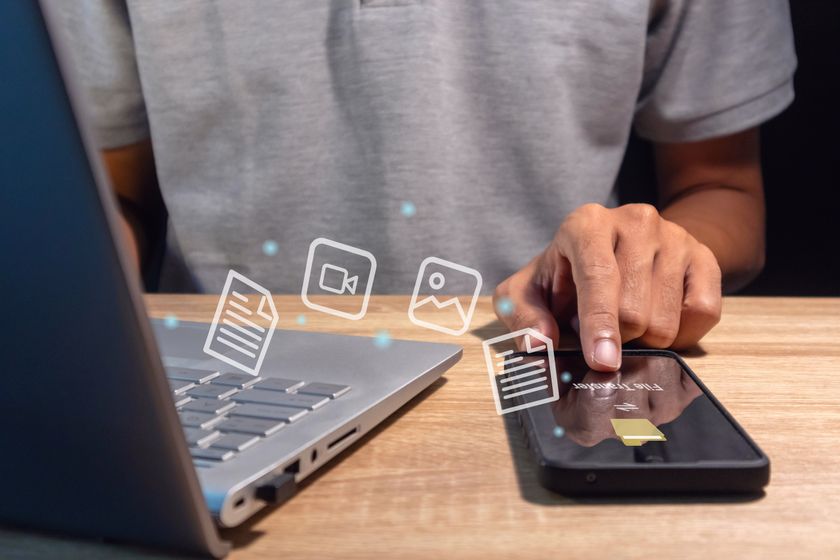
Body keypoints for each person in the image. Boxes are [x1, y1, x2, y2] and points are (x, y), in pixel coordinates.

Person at [57, 1, 796, 372]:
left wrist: (660, 260)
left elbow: (722, 188)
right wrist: (56, 293)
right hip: (216, 367)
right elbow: (111, 197)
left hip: (530, 363)